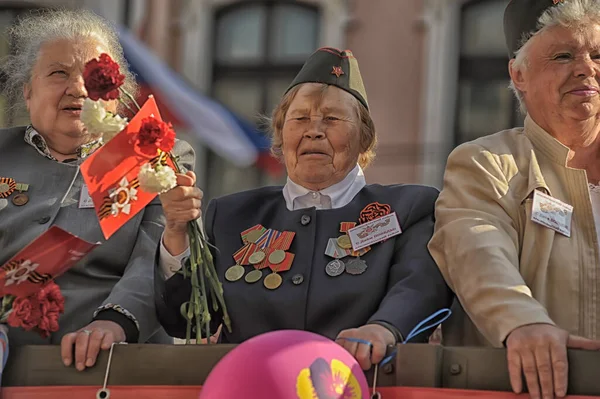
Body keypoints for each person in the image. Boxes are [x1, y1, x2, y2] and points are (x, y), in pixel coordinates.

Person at [156, 47, 453, 370]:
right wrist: (176, 232)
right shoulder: (231, 216)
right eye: (299, 119)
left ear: (364, 137)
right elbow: (186, 320)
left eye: (332, 119)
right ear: (281, 137)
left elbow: (419, 286)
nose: (314, 130)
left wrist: (383, 328)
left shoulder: (408, 208)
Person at [0, 9, 193, 371]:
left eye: (92, 75)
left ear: (116, 94)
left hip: (108, 354)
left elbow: (153, 257)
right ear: (27, 91)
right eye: (59, 73)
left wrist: (116, 321)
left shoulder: (149, 152)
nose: (77, 88)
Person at [428, 0, 600, 398]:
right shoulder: (486, 164)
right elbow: (476, 249)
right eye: (563, 55)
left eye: (597, 54)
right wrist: (522, 322)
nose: (586, 68)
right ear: (519, 74)